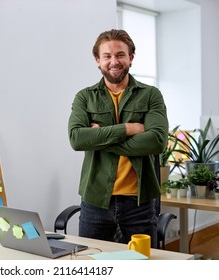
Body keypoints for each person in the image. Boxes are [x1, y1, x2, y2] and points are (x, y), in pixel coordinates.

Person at [68, 29, 168, 248]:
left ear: (130, 58)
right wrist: (128, 128)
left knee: (141, 266)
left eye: (120, 55)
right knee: (92, 263)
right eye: (107, 56)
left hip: (139, 202)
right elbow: (77, 139)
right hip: (95, 201)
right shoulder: (84, 97)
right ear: (98, 60)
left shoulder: (150, 95)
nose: (114, 61)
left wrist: (99, 138)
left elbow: (157, 141)